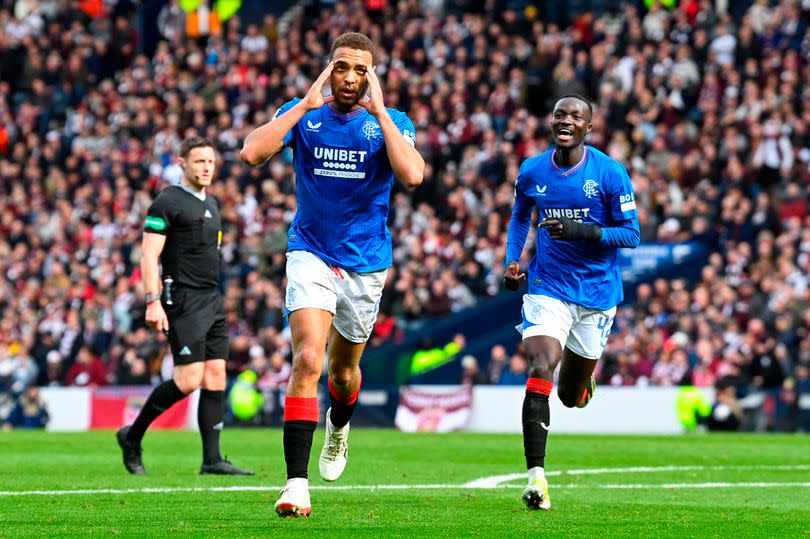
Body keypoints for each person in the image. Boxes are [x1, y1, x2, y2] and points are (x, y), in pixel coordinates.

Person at [240, 32, 424, 518]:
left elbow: (413, 176)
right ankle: (295, 485)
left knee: (343, 376)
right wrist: (302, 105)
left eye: (361, 70)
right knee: (307, 360)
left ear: (373, 76)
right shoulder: (305, 115)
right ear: (329, 68)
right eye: (342, 66)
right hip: (311, 253)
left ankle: (339, 429)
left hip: (366, 263)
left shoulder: (391, 122)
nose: (350, 77)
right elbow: (251, 153)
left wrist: (382, 113)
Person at [503, 94, 640, 510]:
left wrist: (583, 231)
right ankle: (536, 479)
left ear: (588, 128)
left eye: (575, 116)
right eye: (559, 113)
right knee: (540, 363)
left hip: (597, 295)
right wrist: (512, 260)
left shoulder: (610, 173)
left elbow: (631, 235)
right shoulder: (532, 171)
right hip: (548, 287)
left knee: (568, 395)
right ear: (551, 123)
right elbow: (518, 216)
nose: (565, 120)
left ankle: (581, 388)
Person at [115, 136, 252, 477]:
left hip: (212, 298)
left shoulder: (214, 204)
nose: (206, 168)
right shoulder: (168, 201)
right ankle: (132, 435)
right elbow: (149, 255)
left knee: (217, 374)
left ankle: (212, 459)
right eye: (199, 161)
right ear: (182, 163)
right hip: (183, 298)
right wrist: (153, 301)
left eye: (210, 162)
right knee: (189, 379)